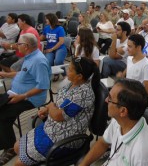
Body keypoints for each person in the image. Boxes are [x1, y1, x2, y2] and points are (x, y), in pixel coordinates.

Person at [13, 57, 100, 166]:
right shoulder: (71, 83)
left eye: (70, 69)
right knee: (17, 147)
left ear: (79, 76)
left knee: (19, 163)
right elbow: (59, 102)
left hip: (65, 138)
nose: (67, 70)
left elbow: (58, 116)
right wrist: (47, 109)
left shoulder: (83, 94)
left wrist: (49, 107)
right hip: (52, 129)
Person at [79, 78, 148, 166]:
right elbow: (103, 143)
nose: (106, 100)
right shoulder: (118, 121)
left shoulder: (143, 155)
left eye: (110, 98)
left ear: (122, 111)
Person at [0, 33, 51, 165]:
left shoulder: (39, 61)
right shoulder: (29, 57)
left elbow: (43, 86)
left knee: (3, 115)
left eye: (19, 44)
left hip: (30, 98)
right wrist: (5, 74)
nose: (17, 46)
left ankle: (10, 147)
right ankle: (4, 138)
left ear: (26, 46)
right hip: (17, 93)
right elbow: (23, 73)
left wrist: (21, 97)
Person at [40, 13, 67, 81]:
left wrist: (52, 49)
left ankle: (64, 74)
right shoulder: (46, 28)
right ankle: (56, 73)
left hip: (60, 48)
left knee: (58, 61)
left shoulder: (60, 28)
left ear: (51, 20)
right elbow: (41, 38)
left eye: (47, 19)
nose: (45, 20)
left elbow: (61, 42)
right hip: (50, 48)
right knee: (48, 61)